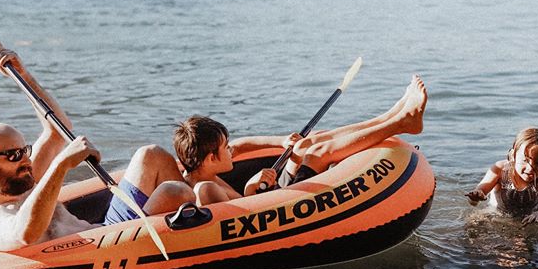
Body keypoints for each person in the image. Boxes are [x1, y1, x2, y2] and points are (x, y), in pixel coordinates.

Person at [0, 42, 193, 251]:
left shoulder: (22, 177)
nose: (25, 160)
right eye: (13, 155)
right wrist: (61, 165)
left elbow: (57, 131)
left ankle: (209, 206)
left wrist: (23, 76)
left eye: (24, 151)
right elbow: (25, 234)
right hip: (105, 250)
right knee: (174, 192)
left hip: (108, 229)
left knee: (151, 155)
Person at [173, 75, 427, 205]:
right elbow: (242, 218)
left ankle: (391, 115)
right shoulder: (206, 190)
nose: (231, 149)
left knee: (307, 142)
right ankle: (400, 123)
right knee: (318, 152)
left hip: (271, 195)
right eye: (225, 148)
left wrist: (282, 141)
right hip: (275, 206)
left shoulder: (198, 171)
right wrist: (251, 188)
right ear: (211, 158)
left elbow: (240, 146)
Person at [465, 128, 538, 224]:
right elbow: (475, 199)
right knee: (474, 221)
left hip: (530, 219)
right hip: (497, 215)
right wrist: (475, 197)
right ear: (513, 156)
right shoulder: (500, 170)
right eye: (525, 160)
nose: (530, 168)